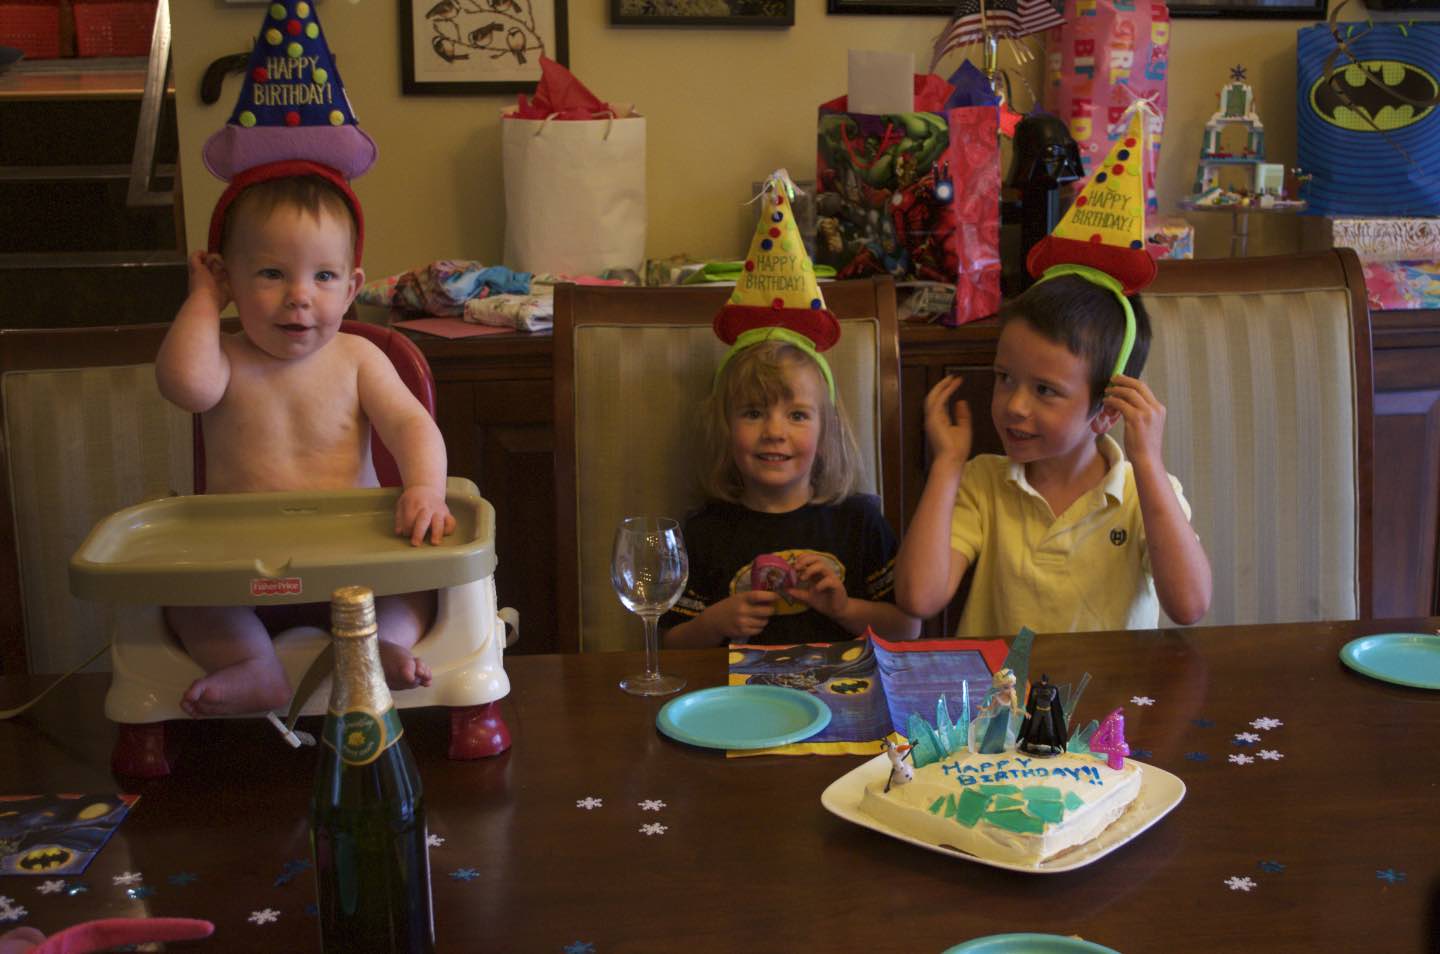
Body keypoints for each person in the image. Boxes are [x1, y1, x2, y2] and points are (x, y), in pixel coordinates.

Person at [154, 173, 454, 717]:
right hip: (243, 565)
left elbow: (411, 425)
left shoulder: (359, 359)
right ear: (228, 278)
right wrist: (203, 299)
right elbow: (184, 387)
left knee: (419, 588)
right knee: (186, 599)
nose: (299, 296)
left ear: (350, 286)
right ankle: (252, 664)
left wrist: (426, 489)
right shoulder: (224, 359)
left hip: (355, 557)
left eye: (323, 276)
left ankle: (380, 646)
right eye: (271, 273)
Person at [894, 274, 1212, 637]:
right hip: (1004, 677)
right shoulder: (982, 481)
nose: (1014, 406)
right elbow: (918, 598)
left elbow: (1189, 605)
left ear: (1107, 411)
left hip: (1112, 677)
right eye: (1005, 377)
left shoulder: (1143, 493)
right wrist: (947, 464)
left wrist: (1148, 461)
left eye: (1044, 390)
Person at [661, 335, 920, 648]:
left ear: (825, 434)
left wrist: (844, 609)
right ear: (725, 430)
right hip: (738, 681)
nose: (774, 432)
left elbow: (907, 627)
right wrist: (712, 624)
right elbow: (669, 643)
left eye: (797, 415)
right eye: (753, 413)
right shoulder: (704, 531)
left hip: (841, 679)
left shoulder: (860, 522)